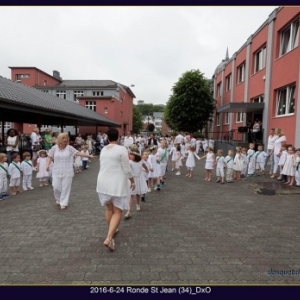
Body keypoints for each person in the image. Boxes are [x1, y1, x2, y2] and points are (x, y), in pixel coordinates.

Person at [96, 128, 135, 251]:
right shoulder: (122, 149)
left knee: (108, 209)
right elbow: (127, 168)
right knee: (117, 211)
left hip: (102, 182)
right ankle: (109, 238)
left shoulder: (103, 150)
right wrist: (132, 180)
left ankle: (112, 231)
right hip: (116, 183)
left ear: (107, 137)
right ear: (118, 137)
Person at [46, 132, 95, 210]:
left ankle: (63, 202)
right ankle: (58, 198)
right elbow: (50, 157)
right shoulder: (54, 148)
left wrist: (88, 155)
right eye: (63, 138)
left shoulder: (70, 148)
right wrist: (47, 165)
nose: (65, 139)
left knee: (65, 187)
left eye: (66, 138)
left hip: (67, 171)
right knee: (56, 187)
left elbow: (78, 153)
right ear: (59, 139)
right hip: (56, 171)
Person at [124, 146, 148, 218]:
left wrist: (147, 169)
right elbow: (128, 170)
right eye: (129, 154)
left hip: (139, 178)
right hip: (133, 180)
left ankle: (138, 204)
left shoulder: (141, 161)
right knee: (132, 195)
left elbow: (144, 165)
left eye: (131, 155)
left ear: (136, 155)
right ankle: (128, 211)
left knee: (138, 193)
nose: (130, 156)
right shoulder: (130, 162)